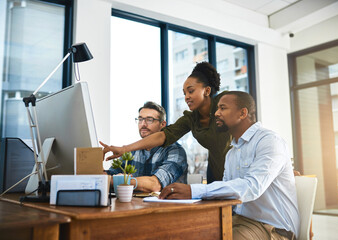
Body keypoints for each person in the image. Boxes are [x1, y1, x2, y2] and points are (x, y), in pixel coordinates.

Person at [159, 91, 300, 240]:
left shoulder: (269, 141)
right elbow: (226, 193)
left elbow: (252, 187)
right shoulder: (232, 153)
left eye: (222, 108)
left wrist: (194, 190)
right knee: (187, 231)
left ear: (242, 113)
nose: (216, 114)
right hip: (239, 220)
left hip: (273, 229)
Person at [102, 62, 232, 183]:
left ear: (207, 91)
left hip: (239, 166)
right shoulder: (190, 118)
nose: (186, 97)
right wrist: (124, 149)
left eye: (191, 91)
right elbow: (165, 135)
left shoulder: (225, 103)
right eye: (184, 93)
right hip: (217, 171)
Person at [101, 101, 187, 193]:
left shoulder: (175, 151)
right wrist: (97, 172)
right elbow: (111, 174)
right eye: (140, 119)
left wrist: (114, 180)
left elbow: (155, 185)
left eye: (149, 120)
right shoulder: (132, 151)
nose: (143, 124)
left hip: (167, 206)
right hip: (136, 205)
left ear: (162, 124)